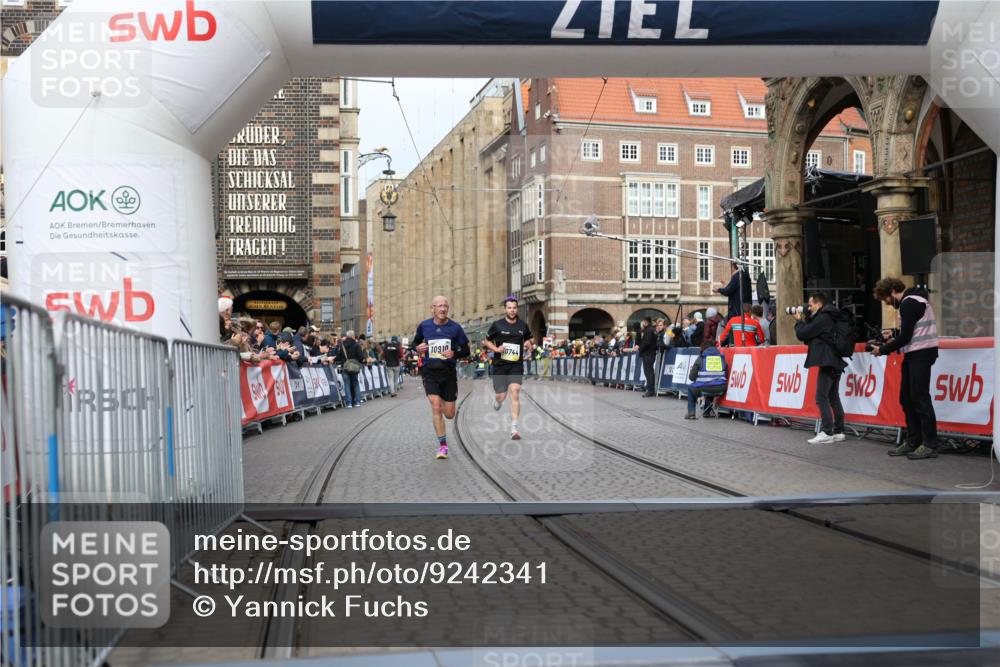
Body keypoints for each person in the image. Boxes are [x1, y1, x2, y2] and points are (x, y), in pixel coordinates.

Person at [871, 278, 940, 460]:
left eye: (885, 298)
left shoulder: (909, 303)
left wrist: (883, 349)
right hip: (915, 354)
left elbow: (907, 336)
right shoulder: (913, 302)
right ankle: (913, 441)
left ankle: (929, 444)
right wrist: (894, 334)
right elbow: (911, 331)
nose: (886, 303)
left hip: (921, 354)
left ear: (893, 291)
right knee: (907, 398)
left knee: (919, 398)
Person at [412, 295, 470, 459]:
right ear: (433, 308)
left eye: (445, 306)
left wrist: (454, 352)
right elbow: (414, 344)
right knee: (436, 406)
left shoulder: (455, 328)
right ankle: (443, 446)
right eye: (439, 306)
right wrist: (418, 348)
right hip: (430, 372)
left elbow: (466, 350)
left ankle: (447, 405)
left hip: (448, 373)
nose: (443, 309)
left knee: (450, 414)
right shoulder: (424, 326)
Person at [793, 292, 847, 444]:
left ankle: (827, 431)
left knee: (821, 397)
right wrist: (807, 319)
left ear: (818, 304)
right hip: (834, 360)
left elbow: (803, 333)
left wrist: (798, 321)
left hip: (828, 361)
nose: (808, 308)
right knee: (833, 396)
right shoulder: (827, 317)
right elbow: (812, 332)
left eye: (810, 305)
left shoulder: (823, 318)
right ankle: (839, 430)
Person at [483, 296, 534, 439]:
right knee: (501, 396)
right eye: (509, 308)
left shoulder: (522, 326)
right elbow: (486, 341)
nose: (512, 310)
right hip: (500, 365)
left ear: (517, 309)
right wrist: (496, 349)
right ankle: (498, 401)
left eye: (514, 308)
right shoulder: (497, 325)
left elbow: (530, 338)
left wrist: (529, 344)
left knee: (515, 392)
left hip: (516, 365)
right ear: (505, 309)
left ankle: (514, 429)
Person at [685, 340, 728, 419]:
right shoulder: (722, 358)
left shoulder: (701, 358)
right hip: (721, 389)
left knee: (691, 388)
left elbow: (691, 377)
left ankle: (691, 412)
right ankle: (707, 412)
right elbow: (726, 374)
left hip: (704, 388)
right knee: (711, 385)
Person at [336, 330, 365, 408]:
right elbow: (361, 357)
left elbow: (338, 357)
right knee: (355, 383)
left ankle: (349, 403)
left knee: (347, 384)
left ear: (347, 336)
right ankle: (357, 401)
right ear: (353, 336)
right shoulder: (356, 345)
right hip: (354, 367)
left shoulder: (342, 345)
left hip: (344, 367)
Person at [637, 317, 659, 397]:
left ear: (646, 322)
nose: (643, 323)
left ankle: (650, 390)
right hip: (650, 353)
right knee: (649, 372)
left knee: (648, 372)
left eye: (644, 321)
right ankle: (650, 389)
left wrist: (640, 349)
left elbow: (647, 342)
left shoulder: (649, 330)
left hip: (648, 353)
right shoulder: (652, 330)